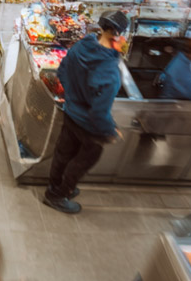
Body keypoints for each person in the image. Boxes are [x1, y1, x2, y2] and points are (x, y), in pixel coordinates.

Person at [43, 11, 128, 214]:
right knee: (81, 162)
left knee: (63, 153)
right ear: (118, 33)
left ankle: (53, 186)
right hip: (89, 126)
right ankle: (59, 195)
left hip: (70, 111)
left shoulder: (83, 45)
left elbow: (62, 71)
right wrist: (110, 132)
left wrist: (73, 95)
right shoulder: (109, 72)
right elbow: (99, 112)